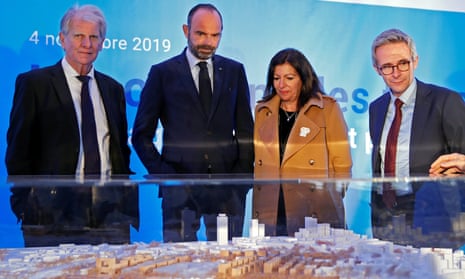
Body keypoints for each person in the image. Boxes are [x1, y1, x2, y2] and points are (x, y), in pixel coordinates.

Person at [5, 4, 139, 246]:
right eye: (79, 36)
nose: (86, 44)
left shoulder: (114, 89)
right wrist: (25, 205)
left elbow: (119, 151)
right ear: (62, 39)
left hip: (110, 214)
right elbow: (18, 151)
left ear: (101, 43)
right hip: (52, 214)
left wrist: (122, 203)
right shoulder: (35, 85)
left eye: (93, 37)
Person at [131, 4, 254, 242]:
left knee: (229, 266)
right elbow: (141, 135)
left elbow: (246, 131)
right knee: (178, 266)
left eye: (215, 35)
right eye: (201, 34)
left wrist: (240, 180)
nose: (208, 42)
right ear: (186, 30)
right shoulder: (162, 73)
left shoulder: (234, 71)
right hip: (179, 192)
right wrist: (166, 177)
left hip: (227, 191)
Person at [369, 28, 465, 239]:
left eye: (403, 63)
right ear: (377, 69)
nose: (396, 73)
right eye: (387, 66)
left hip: (433, 218)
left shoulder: (446, 101)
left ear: (415, 61)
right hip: (385, 220)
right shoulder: (375, 108)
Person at [253, 48, 352, 236]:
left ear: (303, 78)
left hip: (312, 207)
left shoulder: (327, 109)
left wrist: (331, 198)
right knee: (272, 263)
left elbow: (343, 164)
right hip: (272, 207)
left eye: (289, 78)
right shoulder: (262, 111)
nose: (282, 84)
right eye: (276, 78)